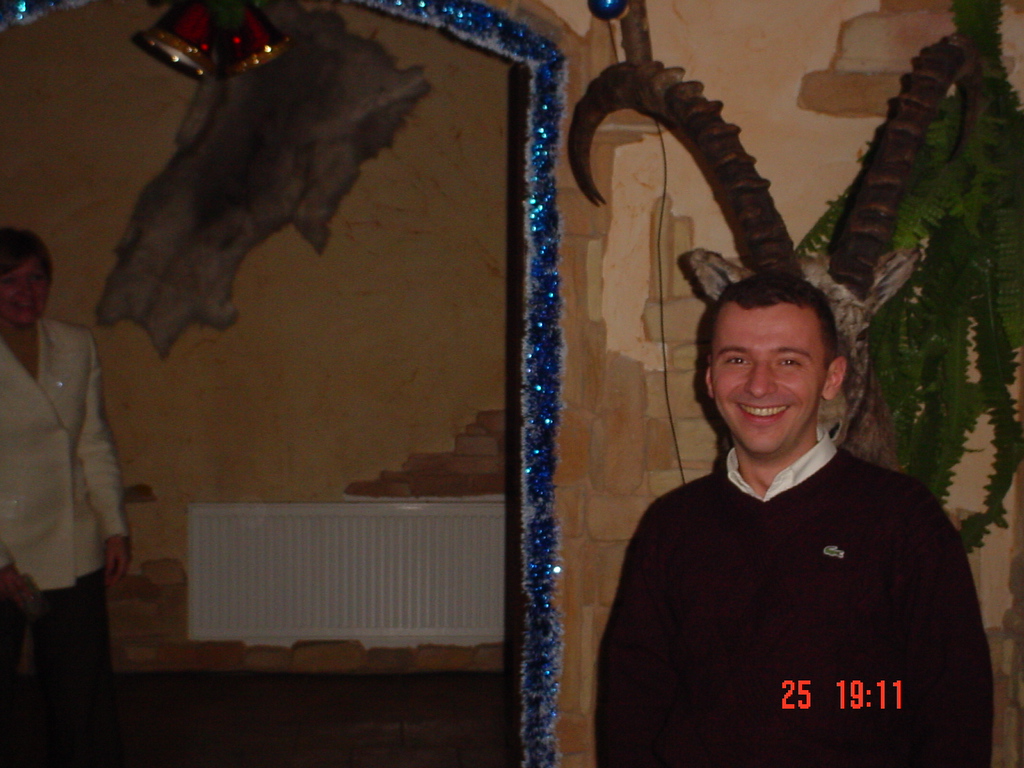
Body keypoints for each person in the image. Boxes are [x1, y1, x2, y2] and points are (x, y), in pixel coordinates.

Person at [599, 271, 992, 767]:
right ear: (710, 378)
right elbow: (633, 705)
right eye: (737, 359)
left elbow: (953, 709)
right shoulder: (673, 525)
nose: (759, 385)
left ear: (832, 378)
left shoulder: (903, 522)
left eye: (788, 361)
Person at [0, 228, 130, 767]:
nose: (25, 292)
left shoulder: (75, 344)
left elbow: (92, 441)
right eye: (9, 280)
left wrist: (112, 525)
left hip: (72, 540)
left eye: (36, 278)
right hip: (5, 546)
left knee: (81, 701)